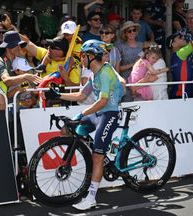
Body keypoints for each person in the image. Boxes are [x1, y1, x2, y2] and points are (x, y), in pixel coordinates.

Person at [42, 39, 125, 210]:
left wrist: (82, 113)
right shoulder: (95, 73)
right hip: (98, 112)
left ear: (91, 56)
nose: (81, 60)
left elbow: (102, 102)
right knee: (68, 128)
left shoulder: (106, 73)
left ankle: (91, 198)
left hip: (109, 113)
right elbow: (81, 95)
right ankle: (97, 151)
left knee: (97, 156)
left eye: (82, 56)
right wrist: (57, 95)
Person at [116, 21, 143, 101]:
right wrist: (134, 64)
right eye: (129, 31)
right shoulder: (120, 47)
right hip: (126, 81)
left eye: (134, 30)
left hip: (141, 81)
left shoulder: (142, 45)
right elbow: (118, 68)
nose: (132, 32)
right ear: (125, 33)